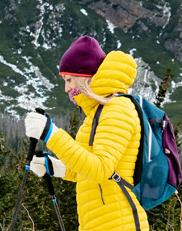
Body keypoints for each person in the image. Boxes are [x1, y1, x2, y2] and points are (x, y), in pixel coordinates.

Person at [24, 36, 148, 231]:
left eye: (69, 79)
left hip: (120, 223)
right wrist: (55, 167)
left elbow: (100, 169)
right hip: (99, 223)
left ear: (85, 77)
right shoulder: (97, 114)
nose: (66, 88)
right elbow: (87, 169)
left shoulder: (117, 109)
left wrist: (51, 134)